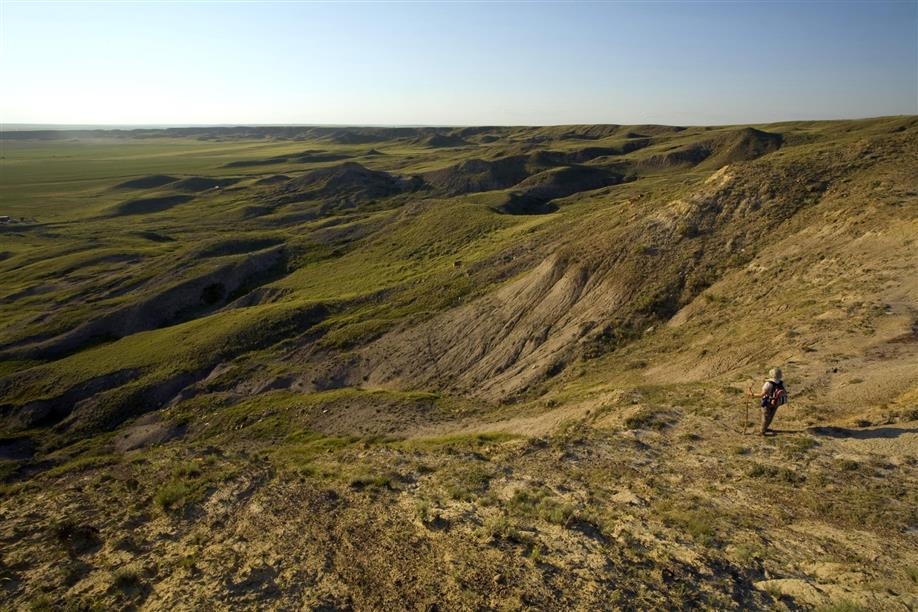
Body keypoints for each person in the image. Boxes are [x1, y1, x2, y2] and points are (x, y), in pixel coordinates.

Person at [749, 367, 787, 436]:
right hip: (776, 402)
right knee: (771, 416)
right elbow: (784, 392)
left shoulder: (768, 383)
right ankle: (765, 428)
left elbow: (762, 394)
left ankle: (762, 432)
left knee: (765, 416)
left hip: (767, 402)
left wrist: (752, 395)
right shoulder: (781, 383)